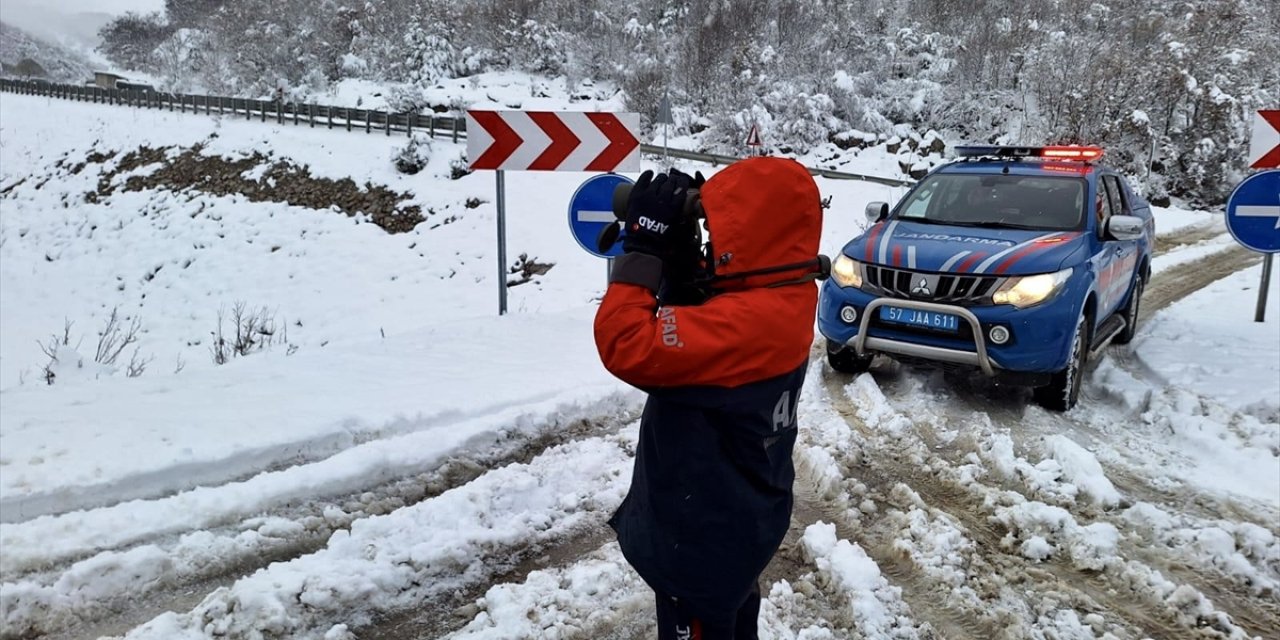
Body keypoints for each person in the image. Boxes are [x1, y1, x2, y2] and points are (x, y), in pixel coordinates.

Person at [593, 157, 827, 639]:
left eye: (721, 227)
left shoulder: (746, 325)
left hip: (702, 536)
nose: (712, 236)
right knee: (734, 618)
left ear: (750, 232)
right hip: (738, 520)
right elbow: (705, 336)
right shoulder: (786, 295)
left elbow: (625, 342)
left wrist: (643, 247)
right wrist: (681, 263)